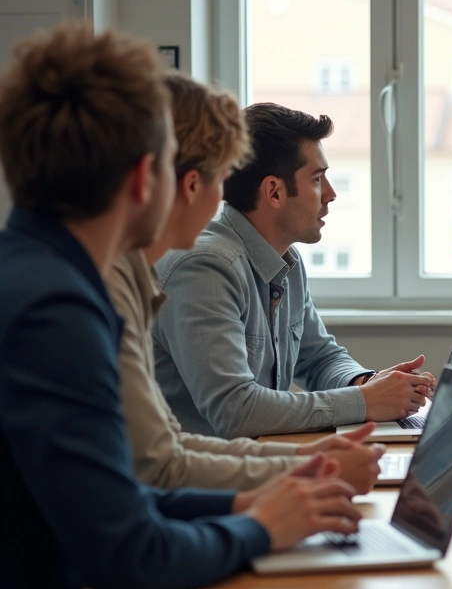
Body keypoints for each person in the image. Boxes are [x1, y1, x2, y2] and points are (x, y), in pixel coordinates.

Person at [0, 23, 361, 589]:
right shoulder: (57, 310)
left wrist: (250, 505)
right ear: (150, 178)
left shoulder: (41, 270)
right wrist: (263, 527)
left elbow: (124, 493)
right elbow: (129, 554)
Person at [106, 72, 384, 493]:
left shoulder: (283, 260)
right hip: (190, 499)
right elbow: (215, 428)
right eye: (219, 178)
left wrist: (357, 395)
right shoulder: (196, 266)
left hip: (212, 484)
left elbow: (170, 450)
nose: (224, 196)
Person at [152, 102, 436, 438]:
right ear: (273, 191)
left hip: (253, 464)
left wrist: (366, 382)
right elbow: (235, 410)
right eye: (317, 179)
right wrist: (363, 401)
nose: (330, 194)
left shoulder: (285, 260)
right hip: (195, 481)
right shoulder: (204, 268)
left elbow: (317, 358)